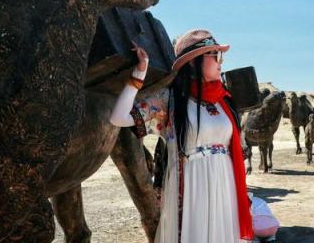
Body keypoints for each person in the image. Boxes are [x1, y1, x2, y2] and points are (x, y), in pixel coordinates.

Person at [109, 29, 255, 243]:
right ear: (195, 60)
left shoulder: (225, 101)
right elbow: (119, 118)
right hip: (192, 187)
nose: (220, 61)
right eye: (215, 55)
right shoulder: (170, 101)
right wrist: (139, 74)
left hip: (224, 185)